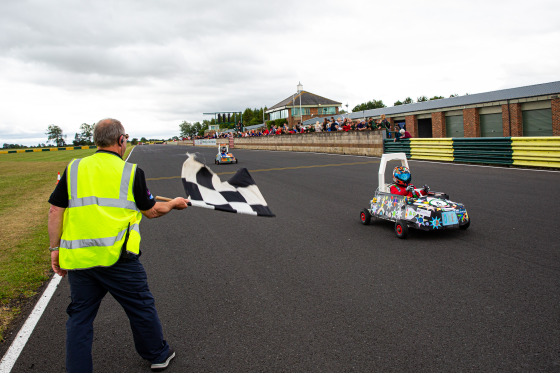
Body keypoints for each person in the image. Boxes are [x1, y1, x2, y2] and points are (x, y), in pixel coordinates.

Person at [48, 118, 188, 372]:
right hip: (119, 259)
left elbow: (55, 210)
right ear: (121, 140)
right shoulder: (132, 172)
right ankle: (157, 354)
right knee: (140, 306)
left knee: (79, 318)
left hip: (80, 260)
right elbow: (152, 211)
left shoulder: (74, 167)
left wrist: (54, 250)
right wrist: (175, 203)